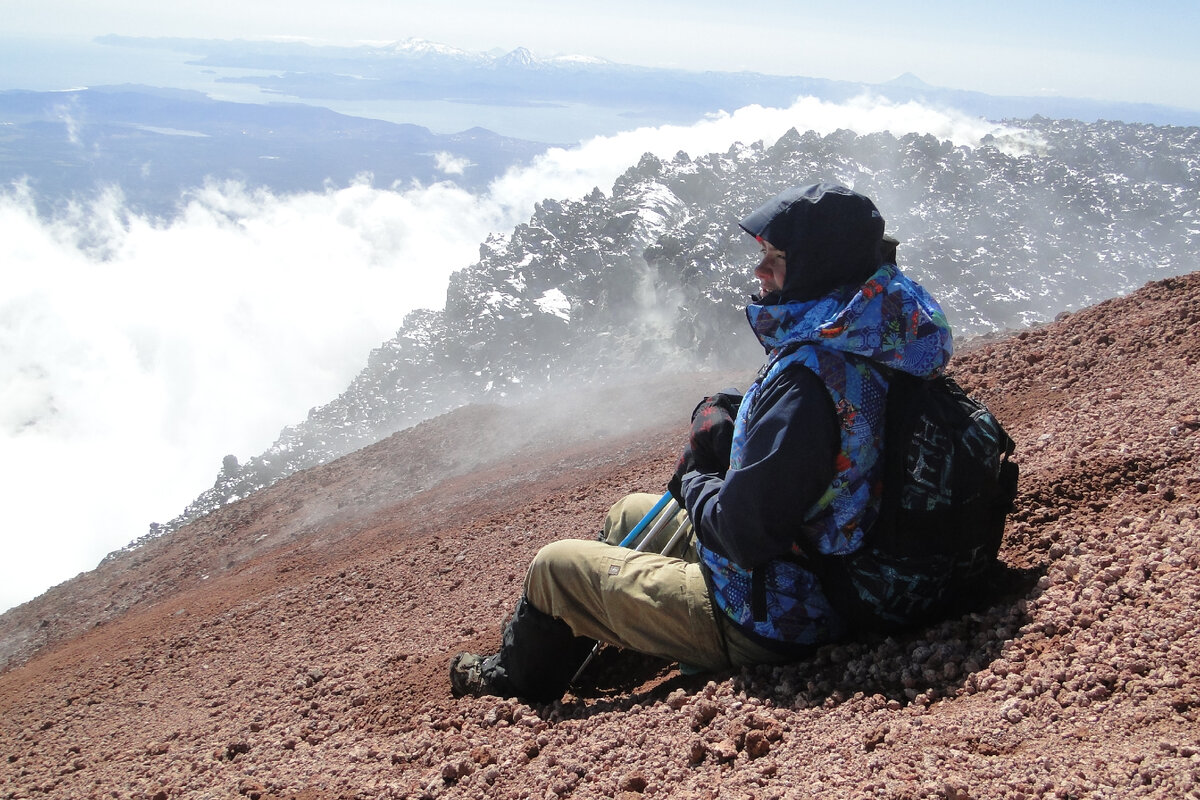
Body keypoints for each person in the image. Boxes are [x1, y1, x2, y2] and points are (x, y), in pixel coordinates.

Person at [450, 183, 954, 703]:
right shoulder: (884, 336)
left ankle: (512, 683)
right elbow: (830, 451)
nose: (760, 272)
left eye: (776, 259)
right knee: (628, 514)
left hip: (783, 616)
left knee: (552, 568)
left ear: (819, 266)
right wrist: (745, 430)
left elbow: (743, 535)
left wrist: (696, 473)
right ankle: (603, 630)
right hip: (849, 570)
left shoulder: (810, 381)